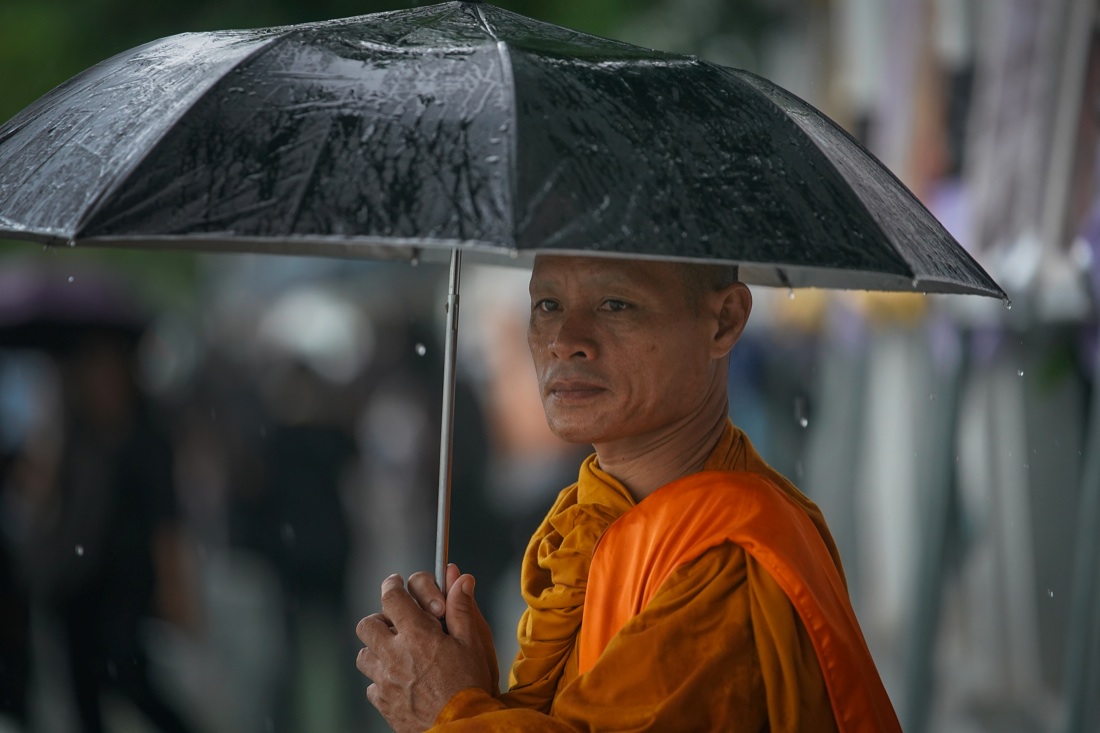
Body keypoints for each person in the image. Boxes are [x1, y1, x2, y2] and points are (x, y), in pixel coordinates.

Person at [355, 255, 901, 732]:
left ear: (724, 321)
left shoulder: (727, 557)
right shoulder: (592, 517)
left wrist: (451, 709)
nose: (565, 340)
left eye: (615, 304)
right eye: (547, 304)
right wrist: (471, 687)